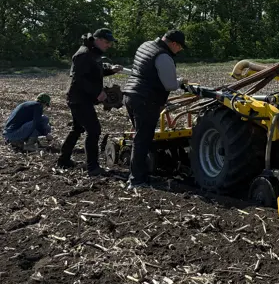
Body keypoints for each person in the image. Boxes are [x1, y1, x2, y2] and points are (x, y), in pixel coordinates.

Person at [122, 29, 187, 187]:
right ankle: (136, 180)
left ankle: (142, 174)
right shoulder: (163, 56)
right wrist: (181, 81)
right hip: (145, 100)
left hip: (130, 95)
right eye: (180, 47)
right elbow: (170, 84)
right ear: (173, 43)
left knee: (141, 138)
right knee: (142, 140)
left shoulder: (146, 45)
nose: (180, 50)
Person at [57, 28, 123, 174]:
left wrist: (111, 70)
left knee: (78, 129)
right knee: (94, 131)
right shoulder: (84, 54)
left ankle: (63, 160)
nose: (108, 45)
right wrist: (97, 92)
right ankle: (92, 167)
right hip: (79, 99)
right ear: (97, 39)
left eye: (110, 43)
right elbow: (79, 79)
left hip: (80, 98)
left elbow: (93, 73)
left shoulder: (93, 53)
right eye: (106, 42)